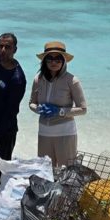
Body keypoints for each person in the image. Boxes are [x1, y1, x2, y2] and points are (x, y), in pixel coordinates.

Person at [28, 41, 87, 169]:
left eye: (58, 59)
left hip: (65, 132)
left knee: (67, 172)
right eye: (50, 58)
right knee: (45, 171)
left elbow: (83, 109)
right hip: (44, 132)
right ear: (44, 61)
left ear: (64, 61)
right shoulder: (38, 79)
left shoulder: (72, 80)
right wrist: (38, 109)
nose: (54, 62)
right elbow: (31, 103)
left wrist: (59, 111)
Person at [0, 33, 27, 160]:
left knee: (1, 171)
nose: (3, 50)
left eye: (7, 47)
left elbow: (10, 112)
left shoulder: (17, 78)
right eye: (0, 46)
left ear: (14, 50)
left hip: (4, 132)